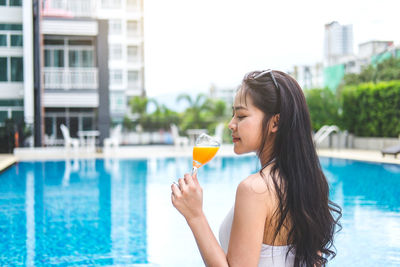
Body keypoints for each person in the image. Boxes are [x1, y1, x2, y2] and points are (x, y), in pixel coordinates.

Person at [171, 70, 342, 267]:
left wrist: (195, 215)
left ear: (275, 122)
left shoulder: (255, 189)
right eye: (233, 115)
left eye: (241, 116)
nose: (231, 124)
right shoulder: (310, 182)